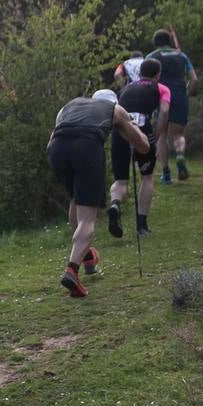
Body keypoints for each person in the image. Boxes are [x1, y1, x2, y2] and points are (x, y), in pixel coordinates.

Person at [46, 90, 150, 297]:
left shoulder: (70, 104)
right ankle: (71, 271)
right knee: (88, 218)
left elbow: (53, 136)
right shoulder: (115, 109)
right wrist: (135, 130)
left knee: (77, 199)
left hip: (56, 150)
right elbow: (143, 146)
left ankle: (87, 256)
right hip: (86, 147)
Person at [107, 58, 171, 239]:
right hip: (141, 127)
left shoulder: (126, 88)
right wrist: (156, 136)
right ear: (157, 75)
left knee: (121, 180)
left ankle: (115, 205)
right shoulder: (161, 88)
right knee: (147, 176)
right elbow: (164, 111)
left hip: (119, 129)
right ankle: (142, 225)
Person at [145, 28, 198, 183]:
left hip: (161, 98)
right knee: (178, 135)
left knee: (161, 135)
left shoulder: (151, 57)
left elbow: (146, 81)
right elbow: (194, 79)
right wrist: (188, 92)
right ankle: (180, 155)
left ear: (155, 43)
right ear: (169, 41)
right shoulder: (181, 55)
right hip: (180, 96)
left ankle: (166, 172)